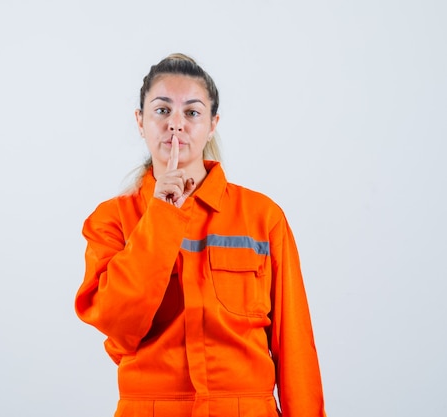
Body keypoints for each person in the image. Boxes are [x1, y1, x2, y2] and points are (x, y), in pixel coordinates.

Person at [75, 53, 327, 417]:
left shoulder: (262, 217)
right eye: (162, 110)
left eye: (192, 113)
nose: (176, 125)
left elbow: (294, 343)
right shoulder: (111, 220)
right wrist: (161, 214)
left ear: (212, 125)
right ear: (140, 121)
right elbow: (118, 324)